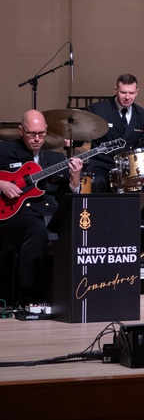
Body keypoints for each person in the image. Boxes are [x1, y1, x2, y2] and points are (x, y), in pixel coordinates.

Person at [0, 110, 83, 305]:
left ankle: (68, 296)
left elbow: (67, 197)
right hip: (13, 214)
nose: (37, 139)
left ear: (46, 131)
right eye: (31, 134)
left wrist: (75, 178)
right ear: (21, 130)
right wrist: (1, 184)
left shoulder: (55, 160)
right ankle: (28, 299)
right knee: (37, 231)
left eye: (41, 134)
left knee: (76, 228)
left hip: (49, 213)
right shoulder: (4, 151)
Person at [83, 74, 144, 225]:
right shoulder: (98, 110)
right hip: (104, 165)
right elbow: (81, 135)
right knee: (97, 181)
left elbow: (140, 145)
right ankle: (96, 229)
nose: (127, 97)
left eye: (131, 93)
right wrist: (69, 141)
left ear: (137, 92)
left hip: (130, 170)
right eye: (123, 92)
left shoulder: (142, 114)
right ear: (115, 90)